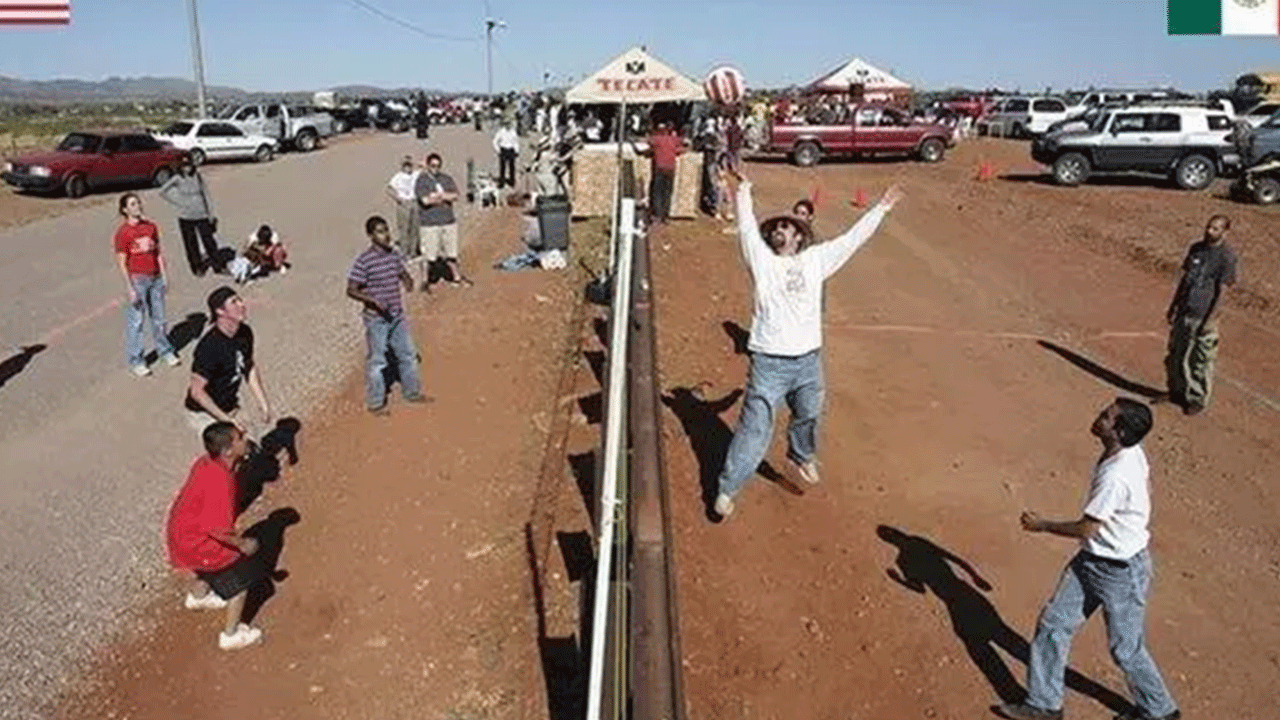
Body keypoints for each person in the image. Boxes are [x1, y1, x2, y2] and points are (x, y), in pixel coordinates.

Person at [713, 171, 901, 518]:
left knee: (810, 412)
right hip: (769, 362)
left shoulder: (816, 261)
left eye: (789, 228)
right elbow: (747, 228)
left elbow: (852, 240)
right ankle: (727, 488)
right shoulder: (763, 262)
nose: (781, 230)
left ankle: (800, 456)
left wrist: (881, 209)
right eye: (777, 228)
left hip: (808, 361)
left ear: (800, 237)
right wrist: (744, 192)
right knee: (754, 431)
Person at [997, 398, 1180, 720]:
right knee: (1054, 624)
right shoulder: (1127, 452)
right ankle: (1044, 704)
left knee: (1125, 649)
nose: (1099, 416)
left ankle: (1160, 711)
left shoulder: (1116, 476)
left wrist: (1042, 526)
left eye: (1107, 417)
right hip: (1093, 562)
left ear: (1119, 431)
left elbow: (1088, 528)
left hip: (1120, 572)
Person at [165, 421, 265, 650]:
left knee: (204, 570)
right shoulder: (221, 482)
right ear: (228, 450)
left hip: (179, 533)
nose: (245, 437)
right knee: (239, 581)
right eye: (239, 437)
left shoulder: (206, 463)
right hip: (198, 542)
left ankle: (198, 598)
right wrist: (242, 544)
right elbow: (216, 530)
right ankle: (231, 635)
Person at [347, 215, 429, 415]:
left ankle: (412, 392)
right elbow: (351, 289)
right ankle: (375, 403)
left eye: (386, 230)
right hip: (376, 319)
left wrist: (408, 281)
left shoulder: (393, 255)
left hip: (397, 315)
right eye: (380, 231)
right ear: (371, 235)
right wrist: (373, 301)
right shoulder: (364, 261)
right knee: (378, 360)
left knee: (408, 354)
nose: (386, 235)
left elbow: (401, 272)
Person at [1163, 214, 1237, 416]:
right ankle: (1177, 392)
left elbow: (1222, 292)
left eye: (1215, 228)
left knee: (1199, 360)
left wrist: (1211, 319)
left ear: (1225, 231)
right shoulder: (1196, 249)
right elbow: (1185, 280)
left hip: (1203, 315)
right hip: (1185, 310)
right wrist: (1174, 305)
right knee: (1176, 354)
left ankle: (1196, 398)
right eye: (1208, 227)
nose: (1209, 231)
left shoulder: (1227, 257)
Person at [184, 286, 274, 435]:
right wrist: (227, 421)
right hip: (204, 412)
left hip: (229, 405)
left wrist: (262, 402)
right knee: (227, 451)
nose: (242, 305)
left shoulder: (245, 333)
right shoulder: (209, 347)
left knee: (251, 444)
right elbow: (197, 391)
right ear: (220, 311)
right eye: (234, 302)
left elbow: (248, 366)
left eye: (240, 300)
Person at [114, 192, 179, 377]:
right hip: (137, 279)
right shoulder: (123, 233)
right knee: (136, 322)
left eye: (138, 203)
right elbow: (122, 261)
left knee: (159, 318)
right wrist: (130, 287)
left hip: (155, 277)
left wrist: (164, 276)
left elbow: (158, 252)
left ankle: (165, 351)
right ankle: (137, 360)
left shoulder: (150, 227)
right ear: (125, 210)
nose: (138, 207)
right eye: (133, 204)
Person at [415, 152, 472, 289]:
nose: (436, 168)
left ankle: (456, 277)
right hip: (429, 223)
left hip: (448, 221)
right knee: (429, 255)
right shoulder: (421, 180)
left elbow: (455, 195)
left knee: (451, 253)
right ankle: (425, 281)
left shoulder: (446, 178)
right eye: (433, 165)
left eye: (438, 166)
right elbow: (425, 200)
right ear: (428, 165)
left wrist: (437, 196)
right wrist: (442, 197)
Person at [159, 158, 222, 276]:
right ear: (180, 167)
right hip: (185, 216)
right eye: (183, 166)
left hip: (201, 214)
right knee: (191, 243)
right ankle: (197, 266)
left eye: (188, 165)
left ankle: (217, 264)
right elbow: (163, 191)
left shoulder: (198, 176)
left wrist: (211, 214)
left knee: (209, 241)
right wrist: (177, 200)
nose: (186, 168)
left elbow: (206, 195)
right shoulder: (177, 178)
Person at [633, 120, 688, 224]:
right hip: (671, 169)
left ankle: (657, 215)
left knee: (657, 192)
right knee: (667, 192)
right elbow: (683, 146)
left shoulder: (657, 139)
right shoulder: (674, 140)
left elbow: (646, 145)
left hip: (659, 168)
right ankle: (665, 215)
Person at [386, 155, 422, 272]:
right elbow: (389, 188)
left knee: (415, 227)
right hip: (404, 203)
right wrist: (397, 198)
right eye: (405, 166)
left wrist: (416, 162)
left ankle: (413, 252)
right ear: (402, 167)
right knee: (404, 228)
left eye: (409, 165)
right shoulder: (398, 177)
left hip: (414, 201)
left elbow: (424, 168)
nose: (408, 168)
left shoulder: (416, 174)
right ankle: (404, 254)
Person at [493, 121, 520, 189]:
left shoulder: (513, 132)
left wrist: (517, 150)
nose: (508, 126)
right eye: (507, 124)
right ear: (505, 124)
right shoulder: (501, 132)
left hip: (511, 150)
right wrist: (498, 150)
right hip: (504, 149)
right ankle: (501, 182)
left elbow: (515, 142)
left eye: (509, 124)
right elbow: (495, 141)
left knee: (512, 167)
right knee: (502, 167)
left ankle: (512, 181)